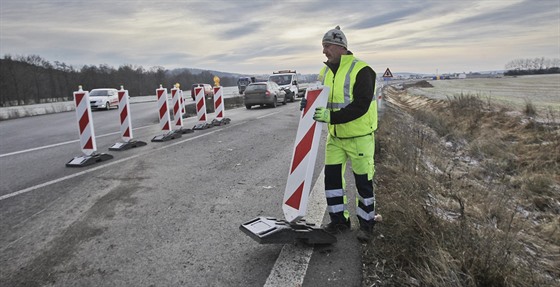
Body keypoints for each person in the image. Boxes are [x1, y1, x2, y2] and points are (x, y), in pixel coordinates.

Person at [301, 26, 379, 242]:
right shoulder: (324, 72)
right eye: (323, 47)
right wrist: (307, 103)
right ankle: (339, 221)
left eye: (326, 46)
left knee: (363, 183)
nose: (324, 51)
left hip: (359, 138)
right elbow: (319, 97)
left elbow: (361, 105)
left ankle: (366, 225)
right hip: (335, 138)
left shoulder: (362, 70)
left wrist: (331, 117)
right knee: (332, 180)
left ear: (340, 46)